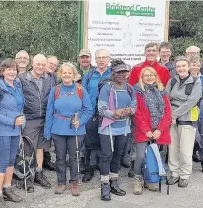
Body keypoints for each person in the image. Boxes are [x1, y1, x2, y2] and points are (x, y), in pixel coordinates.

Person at [44, 63, 92, 196]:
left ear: (74, 75)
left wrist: (80, 121)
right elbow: (49, 111)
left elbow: (88, 110)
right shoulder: (56, 90)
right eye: (64, 72)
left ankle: (75, 181)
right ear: (60, 74)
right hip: (58, 129)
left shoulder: (81, 89)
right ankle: (61, 182)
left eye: (69, 72)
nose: (67, 75)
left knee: (75, 157)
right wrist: (47, 131)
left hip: (76, 129)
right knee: (59, 157)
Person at [17, 54, 57, 191]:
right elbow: (18, 99)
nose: (40, 67)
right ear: (32, 64)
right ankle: (27, 178)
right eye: (37, 64)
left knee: (41, 147)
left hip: (45, 118)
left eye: (43, 64)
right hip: (30, 118)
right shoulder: (22, 79)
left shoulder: (51, 78)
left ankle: (39, 173)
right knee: (28, 148)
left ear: (46, 65)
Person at [97, 60, 136, 201]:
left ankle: (114, 181)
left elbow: (134, 106)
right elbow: (101, 109)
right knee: (106, 156)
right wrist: (114, 113)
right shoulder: (107, 88)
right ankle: (105, 185)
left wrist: (128, 110)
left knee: (117, 156)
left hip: (123, 128)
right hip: (108, 128)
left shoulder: (130, 88)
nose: (121, 74)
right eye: (118, 72)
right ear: (113, 73)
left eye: (123, 72)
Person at [131, 66, 172, 195]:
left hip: (158, 129)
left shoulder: (161, 91)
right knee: (140, 156)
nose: (149, 77)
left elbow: (167, 112)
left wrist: (160, 129)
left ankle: (150, 179)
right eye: (146, 75)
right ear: (141, 78)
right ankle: (138, 179)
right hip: (143, 130)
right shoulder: (137, 91)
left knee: (154, 156)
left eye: (151, 75)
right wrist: (146, 130)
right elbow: (136, 113)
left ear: (155, 77)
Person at [0, 59, 24, 208]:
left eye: (14, 69)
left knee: (11, 160)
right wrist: (12, 122)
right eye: (8, 69)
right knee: (3, 161)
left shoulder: (17, 85)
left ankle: (7, 189)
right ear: (2, 71)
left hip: (16, 130)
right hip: (3, 130)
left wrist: (23, 120)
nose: (12, 71)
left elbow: (20, 107)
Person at [166, 56, 202, 188]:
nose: (181, 68)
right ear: (175, 68)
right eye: (178, 66)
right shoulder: (172, 81)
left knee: (185, 149)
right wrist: (170, 115)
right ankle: (174, 173)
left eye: (183, 66)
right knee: (173, 148)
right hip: (172, 119)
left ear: (188, 67)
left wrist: (174, 114)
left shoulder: (196, 82)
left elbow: (192, 101)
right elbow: (166, 97)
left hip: (186, 119)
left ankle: (185, 175)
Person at [81, 49, 112, 183]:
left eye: (104, 57)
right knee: (90, 143)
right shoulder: (88, 75)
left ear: (108, 59)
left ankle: (103, 167)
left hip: (108, 115)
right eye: (98, 57)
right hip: (91, 114)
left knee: (105, 143)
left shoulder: (113, 74)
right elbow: (82, 93)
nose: (101, 60)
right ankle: (90, 168)